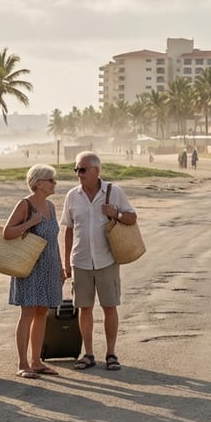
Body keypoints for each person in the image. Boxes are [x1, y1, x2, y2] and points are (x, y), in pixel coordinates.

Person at [60, 151, 137, 371]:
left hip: (107, 260)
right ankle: (88, 354)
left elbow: (132, 218)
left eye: (82, 169)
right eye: (76, 169)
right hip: (80, 260)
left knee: (109, 307)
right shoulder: (72, 196)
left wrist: (116, 214)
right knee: (84, 308)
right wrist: (66, 262)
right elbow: (68, 229)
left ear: (96, 171)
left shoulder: (114, 192)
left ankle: (111, 353)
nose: (78, 174)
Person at [2, 164, 64, 379]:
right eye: (51, 180)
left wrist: (61, 267)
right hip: (29, 266)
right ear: (38, 183)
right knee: (27, 313)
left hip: (49, 266)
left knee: (42, 313)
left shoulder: (51, 206)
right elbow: (7, 233)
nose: (54, 183)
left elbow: (53, 240)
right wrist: (29, 223)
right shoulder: (25, 204)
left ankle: (36, 361)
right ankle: (22, 363)